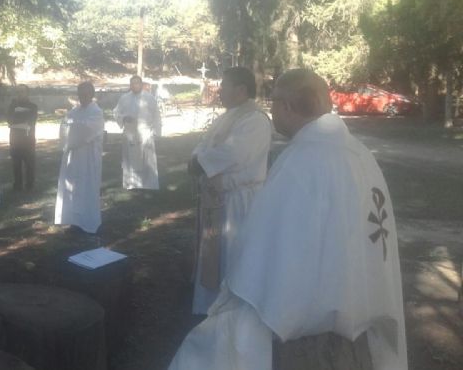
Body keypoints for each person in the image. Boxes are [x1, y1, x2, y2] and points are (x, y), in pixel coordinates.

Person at [169, 69, 407, 370]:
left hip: (310, 339)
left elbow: (265, 261)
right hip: (358, 317)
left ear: (287, 107)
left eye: (273, 102)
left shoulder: (303, 161)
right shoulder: (359, 153)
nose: (271, 109)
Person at [189, 66, 272, 315]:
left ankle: (232, 308)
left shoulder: (255, 120)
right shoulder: (227, 117)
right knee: (215, 252)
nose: (219, 90)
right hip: (218, 198)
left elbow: (234, 154)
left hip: (240, 201)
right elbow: (201, 147)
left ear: (241, 89)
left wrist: (200, 162)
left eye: (224, 85)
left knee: (233, 254)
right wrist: (199, 159)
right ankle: (209, 304)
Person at [54, 82, 104, 234]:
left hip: (87, 156)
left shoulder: (96, 112)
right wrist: (70, 126)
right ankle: (72, 218)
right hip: (73, 156)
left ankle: (87, 220)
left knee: (86, 186)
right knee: (72, 186)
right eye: (81, 93)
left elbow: (86, 130)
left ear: (92, 94)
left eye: (86, 93)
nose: (83, 96)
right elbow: (65, 125)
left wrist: (71, 126)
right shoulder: (75, 111)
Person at [114, 75, 161, 190]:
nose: (135, 85)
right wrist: (124, 118)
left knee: (146, 159)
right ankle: (131, 183)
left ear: (141, 84)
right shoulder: (124, 98)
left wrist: (156, 132)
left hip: (145, 133)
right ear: (130, 85)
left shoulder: (149, 98)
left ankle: (148, 183)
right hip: (130, 132)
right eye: (132, 83)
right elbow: (116, 112)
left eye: (137, 83)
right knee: (130, 159)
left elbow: (156, 115)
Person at [7, 84, 38, 191]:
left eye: (22, 91)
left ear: (27, 93)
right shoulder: (12, 106)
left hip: (28, 139)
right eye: (18, 92)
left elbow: (31, 122)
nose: (20, 94)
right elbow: (9, 121)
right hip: (15, 139)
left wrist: (17, 119)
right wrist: (21, 121)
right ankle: (17, 185)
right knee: (16, 163)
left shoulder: (33, 106)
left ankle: (30, 185)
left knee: (29, 163)